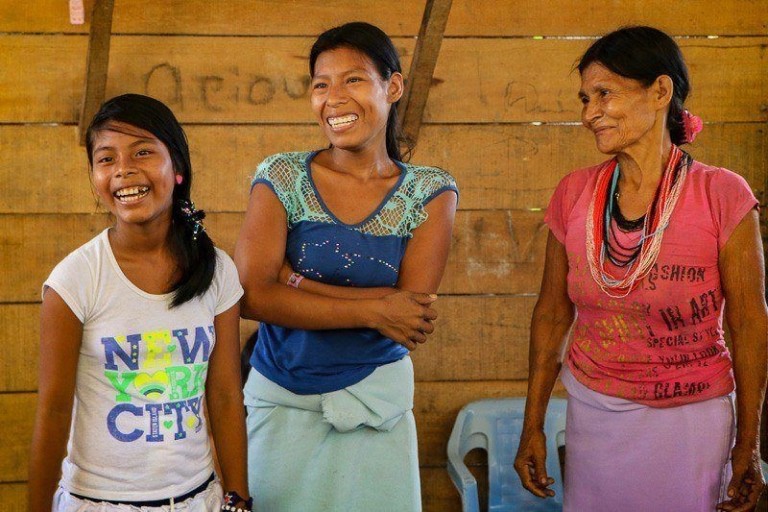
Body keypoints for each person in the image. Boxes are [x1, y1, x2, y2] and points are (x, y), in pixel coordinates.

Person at [514, 26, 767, 512]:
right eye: (585, 98)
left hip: (692, 421)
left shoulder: (723, 195)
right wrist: (533, 425)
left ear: (660, 91)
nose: (589, 113)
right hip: (594, 414)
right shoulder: (573, 194)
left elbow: (750, 323)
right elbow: (551, 314)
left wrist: (749, 442)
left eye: (604, 94)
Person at [234, 21, 458, 511]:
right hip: (279, 400)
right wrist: (376, 309)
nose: (333, 98)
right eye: (321, 84)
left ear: (392, 87)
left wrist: (294, 282)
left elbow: (410, 316)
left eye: (353, 79)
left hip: (376, 405)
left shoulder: (429, 192)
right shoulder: (282, 176)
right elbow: (251, 295)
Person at [28, 94, 252, 512]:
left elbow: (224, 395)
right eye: (106, 159)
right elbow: (54, 411)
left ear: (177, 168)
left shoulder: (217, 269)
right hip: (99, 502)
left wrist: (237, 499)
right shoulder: (75, 280)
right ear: (95, 176)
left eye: (143, 152)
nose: (123, 169)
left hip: (197, 498)